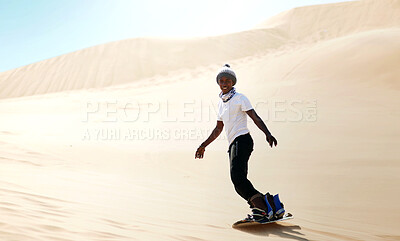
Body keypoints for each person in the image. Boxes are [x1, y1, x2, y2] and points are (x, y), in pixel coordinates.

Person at [195, 64, 285, 223]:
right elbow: (218, 128)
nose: (224, 83)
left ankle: (261, 210)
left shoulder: (240, 98)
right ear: (218, 83)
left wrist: (267, 133)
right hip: (233, 144)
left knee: (237, 177)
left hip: (242, 139)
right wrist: (203, 145)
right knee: (239, 180)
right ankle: (272, 205)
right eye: (221, 80)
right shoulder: (221, 103)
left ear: (233, 82)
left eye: (228, 80)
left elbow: (254, 116)